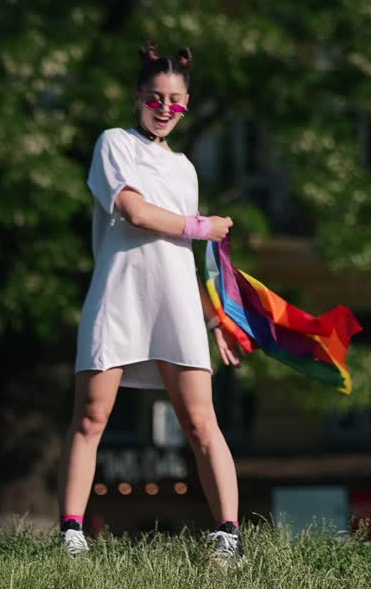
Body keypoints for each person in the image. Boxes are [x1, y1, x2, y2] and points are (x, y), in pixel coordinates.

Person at [59, 42, 247, 560]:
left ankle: (227, 534)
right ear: (137, 97)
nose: (165, 108)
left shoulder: (185, 167)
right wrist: (200, 224)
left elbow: (184, 255)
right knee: (91, 416)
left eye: (176, 100)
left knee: (200, 420)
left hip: (176, 302)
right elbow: (135, 211)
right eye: (155, 97)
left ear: (187, 104)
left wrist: (215, 316)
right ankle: (71, 532)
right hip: (119, 295)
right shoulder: (113, 143)